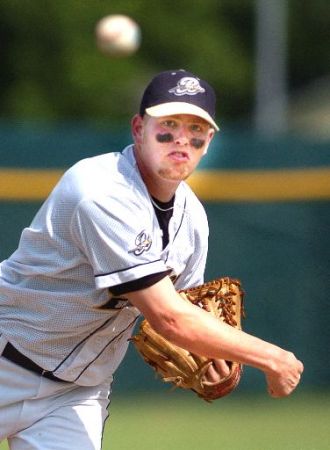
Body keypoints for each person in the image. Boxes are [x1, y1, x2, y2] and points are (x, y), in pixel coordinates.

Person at [0, 69, 303, 449]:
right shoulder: (98, 190)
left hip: (74, 394)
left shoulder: (192, 221)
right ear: (138, 128)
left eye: (195, 130)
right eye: (169, 124)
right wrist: (273, 358)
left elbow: (188, 313)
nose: (181, 139)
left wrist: (211, 357)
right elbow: (169, 317)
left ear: (208, 142)